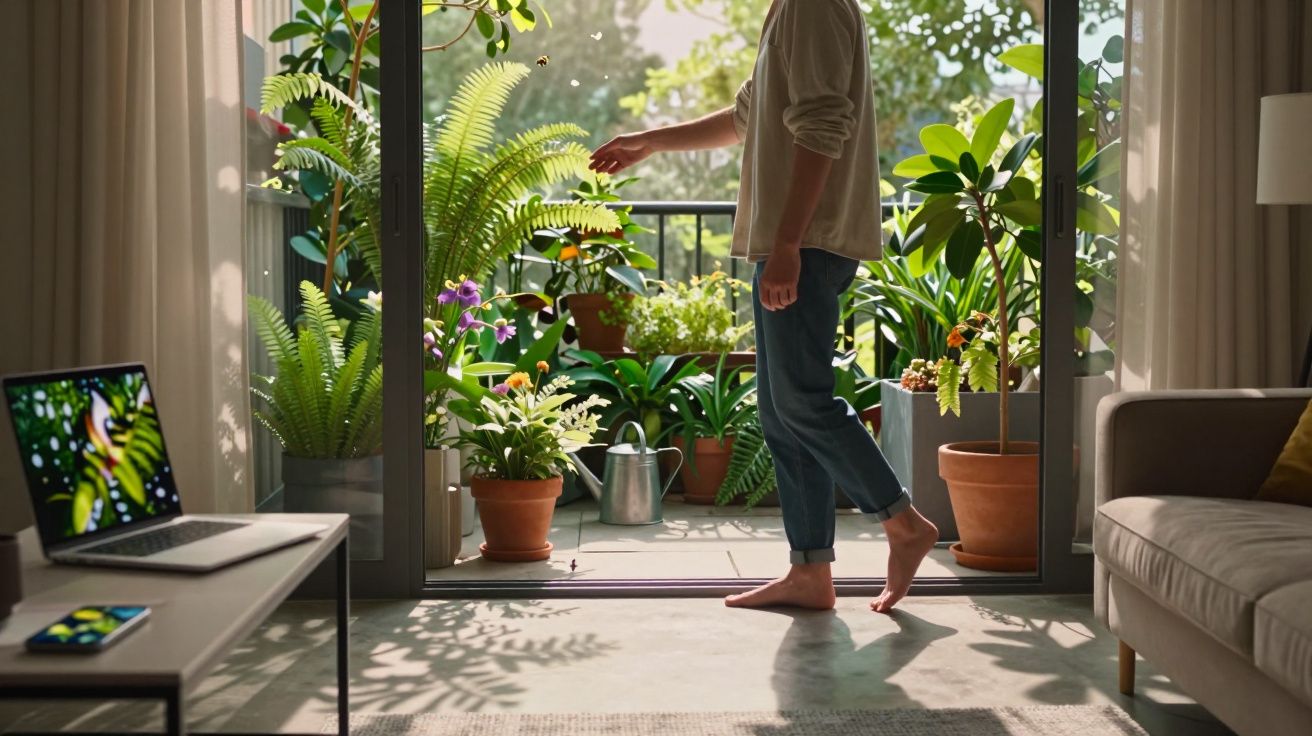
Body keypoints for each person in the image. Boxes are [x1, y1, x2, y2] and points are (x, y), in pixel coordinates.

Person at [589, 0, 939, 613]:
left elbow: (825, 124)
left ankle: (902, 522)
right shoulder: (790, 9)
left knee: (803, 401)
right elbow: (746, 117)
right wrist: (652, 142)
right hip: (795, 243)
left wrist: (786, 244)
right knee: (783, 413)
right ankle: (810, 572)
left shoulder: (814, 6)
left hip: (806, 243)